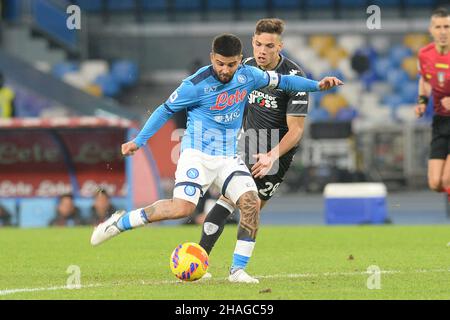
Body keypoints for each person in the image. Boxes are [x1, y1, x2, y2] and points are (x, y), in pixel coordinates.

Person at [90, 33, 343, 283]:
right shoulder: (195, 84)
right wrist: (138, 141)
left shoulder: (249, 75)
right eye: (219, 63)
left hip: (227, 157)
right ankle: (119, 223)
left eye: (231, 64)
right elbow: (164, 110)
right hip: (196, 155)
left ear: (240, 60)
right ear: (212, 58)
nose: (225, 69)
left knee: (251, 202)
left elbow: (285, 82)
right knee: (182, 209)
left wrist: (317, 85)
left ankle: (237, 270)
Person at [198, 18, 314, 275]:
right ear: (252, 42)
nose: (262, 51)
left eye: (269, 46)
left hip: (275, 151)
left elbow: (296, 131)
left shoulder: (293, 78)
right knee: (234, 201)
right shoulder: (246, 67)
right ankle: (223, 267)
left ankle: (206, 261)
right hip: (246, 143)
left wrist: (272, 155)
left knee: (247, 205)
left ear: (280, 46)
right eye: (258, 44)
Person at [415, 8, 450, 216]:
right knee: (436, 182)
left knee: (448, 179)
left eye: (447, 27)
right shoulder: (424, 54)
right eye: (439, 27)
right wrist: (422, 102)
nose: (443, 31)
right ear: (431, 30)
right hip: (440, 122)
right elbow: (425, 80)